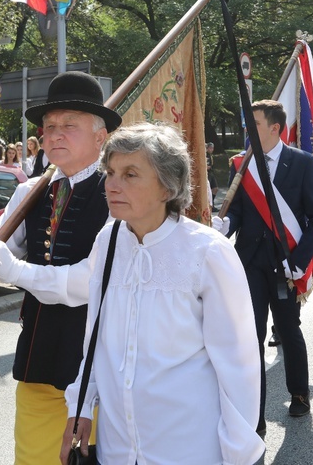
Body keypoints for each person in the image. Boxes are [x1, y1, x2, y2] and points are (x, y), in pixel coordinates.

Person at [60, 123, 264, 465]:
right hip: (119, 449)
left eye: (130, 174)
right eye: (110, 172)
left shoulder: (208, 252)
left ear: (167, 187)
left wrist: (240, 454)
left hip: (188, 448)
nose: (112, 185)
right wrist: (81, 404)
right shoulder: (107, 242)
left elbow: (238, 366)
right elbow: (95, 340)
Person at [0, 71, 122, 465]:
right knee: (32, 459)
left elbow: (87, 282)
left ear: (101, 136)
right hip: (39, 356)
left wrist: (13, 271)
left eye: (69, 125)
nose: (55, 134)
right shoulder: (31, 191)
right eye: (49, 127)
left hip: (100, 364)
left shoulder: (118, 192)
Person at [212, 99, 313, 435]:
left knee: (288, 330)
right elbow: (238, 212)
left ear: (275, 128)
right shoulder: (243, 163)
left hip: (285, 264)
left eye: (255, 124)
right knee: (251, 337)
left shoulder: (303, 163)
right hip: (248, 263)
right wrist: (225, 226)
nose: (249, 130)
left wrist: (299, 262)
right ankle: (255, 410)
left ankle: (299, 393)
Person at [206, 141, 219, 212]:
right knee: (208, 190)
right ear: (207, 148)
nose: (211, 149)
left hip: (211, 173)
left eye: (212, 148)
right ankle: (210, 205)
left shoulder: (210, 155)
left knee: (215, 189)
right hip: (208, 174)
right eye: (210, 148)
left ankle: (212, 204)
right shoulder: (206, 155)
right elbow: (206, 166)